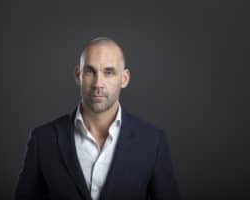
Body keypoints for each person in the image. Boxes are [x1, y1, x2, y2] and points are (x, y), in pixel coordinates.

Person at [14, 37, 180, 200]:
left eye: (109, 72)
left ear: (124, 78)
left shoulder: (153, 141)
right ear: (78, 75)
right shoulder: (42, 139)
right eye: (90, 71)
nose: (98, 83)